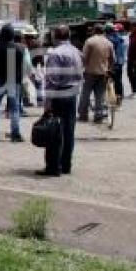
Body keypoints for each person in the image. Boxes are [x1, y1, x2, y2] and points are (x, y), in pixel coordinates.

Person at [39, 24, 84, 176]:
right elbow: (80, 74)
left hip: (59, 95)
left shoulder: (56, 54)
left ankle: (53, 167)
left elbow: (52, 80)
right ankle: (66, 164)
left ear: (55, 36)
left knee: (54, 131)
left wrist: (47, 103)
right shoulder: (76, 52)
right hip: (72, 95)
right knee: (69, 131)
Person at [0, 24, 26, 141]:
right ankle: (15, 133)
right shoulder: (20, 48)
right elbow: (21, 68)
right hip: (13, 81)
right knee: (14, 108)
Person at [78, 24, 114, 123]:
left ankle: (83, 114)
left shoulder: (89, 41)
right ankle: (98, 115)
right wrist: (109, 69)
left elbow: (84, 57)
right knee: (100, 95)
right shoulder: (109, 43)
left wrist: (82, 68)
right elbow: (112, 59)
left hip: (90, 72)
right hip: (103, 72)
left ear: (94, 30)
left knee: (85, 93)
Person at [105, 22, 125, 102]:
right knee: (118, 81)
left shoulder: (109, 39)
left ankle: (110, 99)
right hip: (119, 63)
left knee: (107, 81)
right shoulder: (119, 38)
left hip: (111, 63)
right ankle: (119, 97)